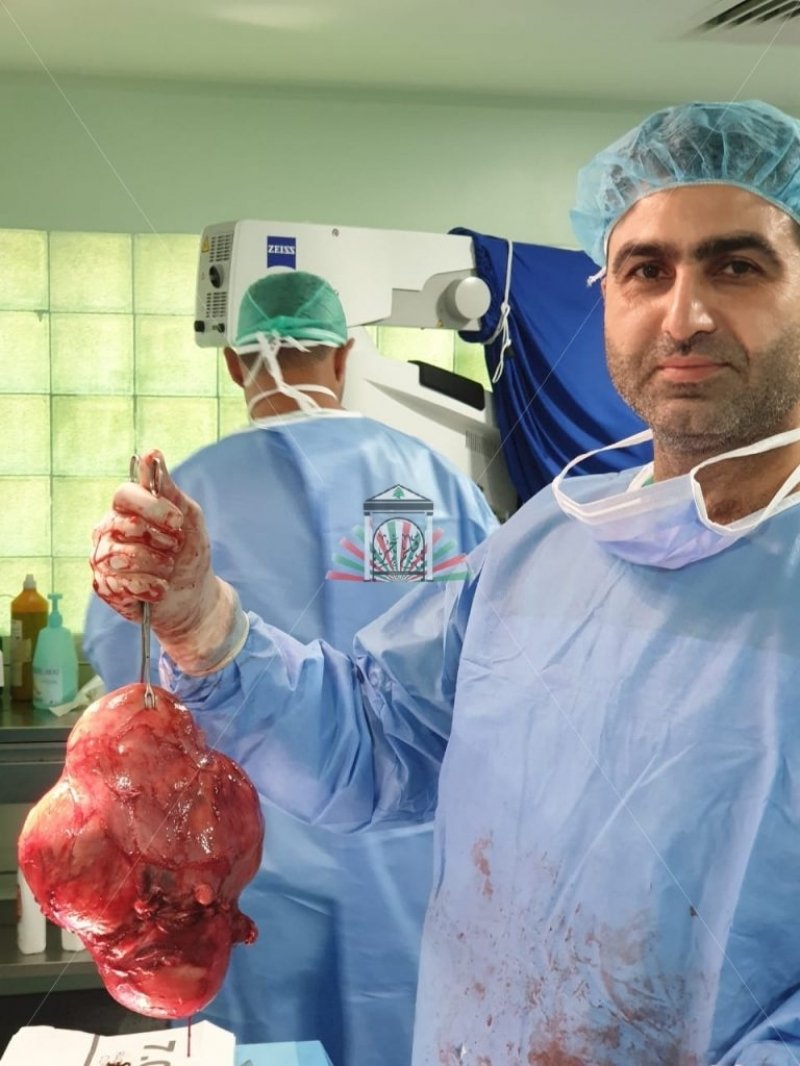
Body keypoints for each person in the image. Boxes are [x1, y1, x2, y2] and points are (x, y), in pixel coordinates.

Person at [90, 99, 800, 1064]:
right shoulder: (544, 545)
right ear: (607, 297)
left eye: (737, 266)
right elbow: (378, 740)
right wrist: (202, 625)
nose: (685, 315)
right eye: (645, 270)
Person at [83, 270, 498, 1066]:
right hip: (412, 864)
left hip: (241, 870)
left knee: (261, 1050)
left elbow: (121, 663)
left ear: (233, 363)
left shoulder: (187, 495)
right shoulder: (430, 481)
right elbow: (499, 660)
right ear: (344, 355)